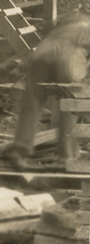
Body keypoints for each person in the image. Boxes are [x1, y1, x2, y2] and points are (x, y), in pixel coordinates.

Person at [8, 12, 90, 169]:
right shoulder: (87, 27)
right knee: (70, 106)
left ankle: (19, 151)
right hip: (68, 56)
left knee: (32, 102)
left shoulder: (70, 22)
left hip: (41, 52)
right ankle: (67, 158)